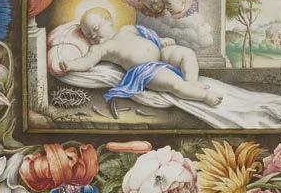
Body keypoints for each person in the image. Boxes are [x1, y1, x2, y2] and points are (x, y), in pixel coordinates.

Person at [58, 7, 222, 117]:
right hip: (147, 70)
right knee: (175, 85)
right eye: (88, 35)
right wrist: (71, 64)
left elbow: (148, 35)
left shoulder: (127, 29)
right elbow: (86, 62)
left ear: (109, 20)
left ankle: (191, 82)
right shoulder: (101, 48)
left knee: (187, 53)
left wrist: (161, 40)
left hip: (161, 54)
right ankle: (204, 96)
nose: (93, 36)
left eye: (95, 28)